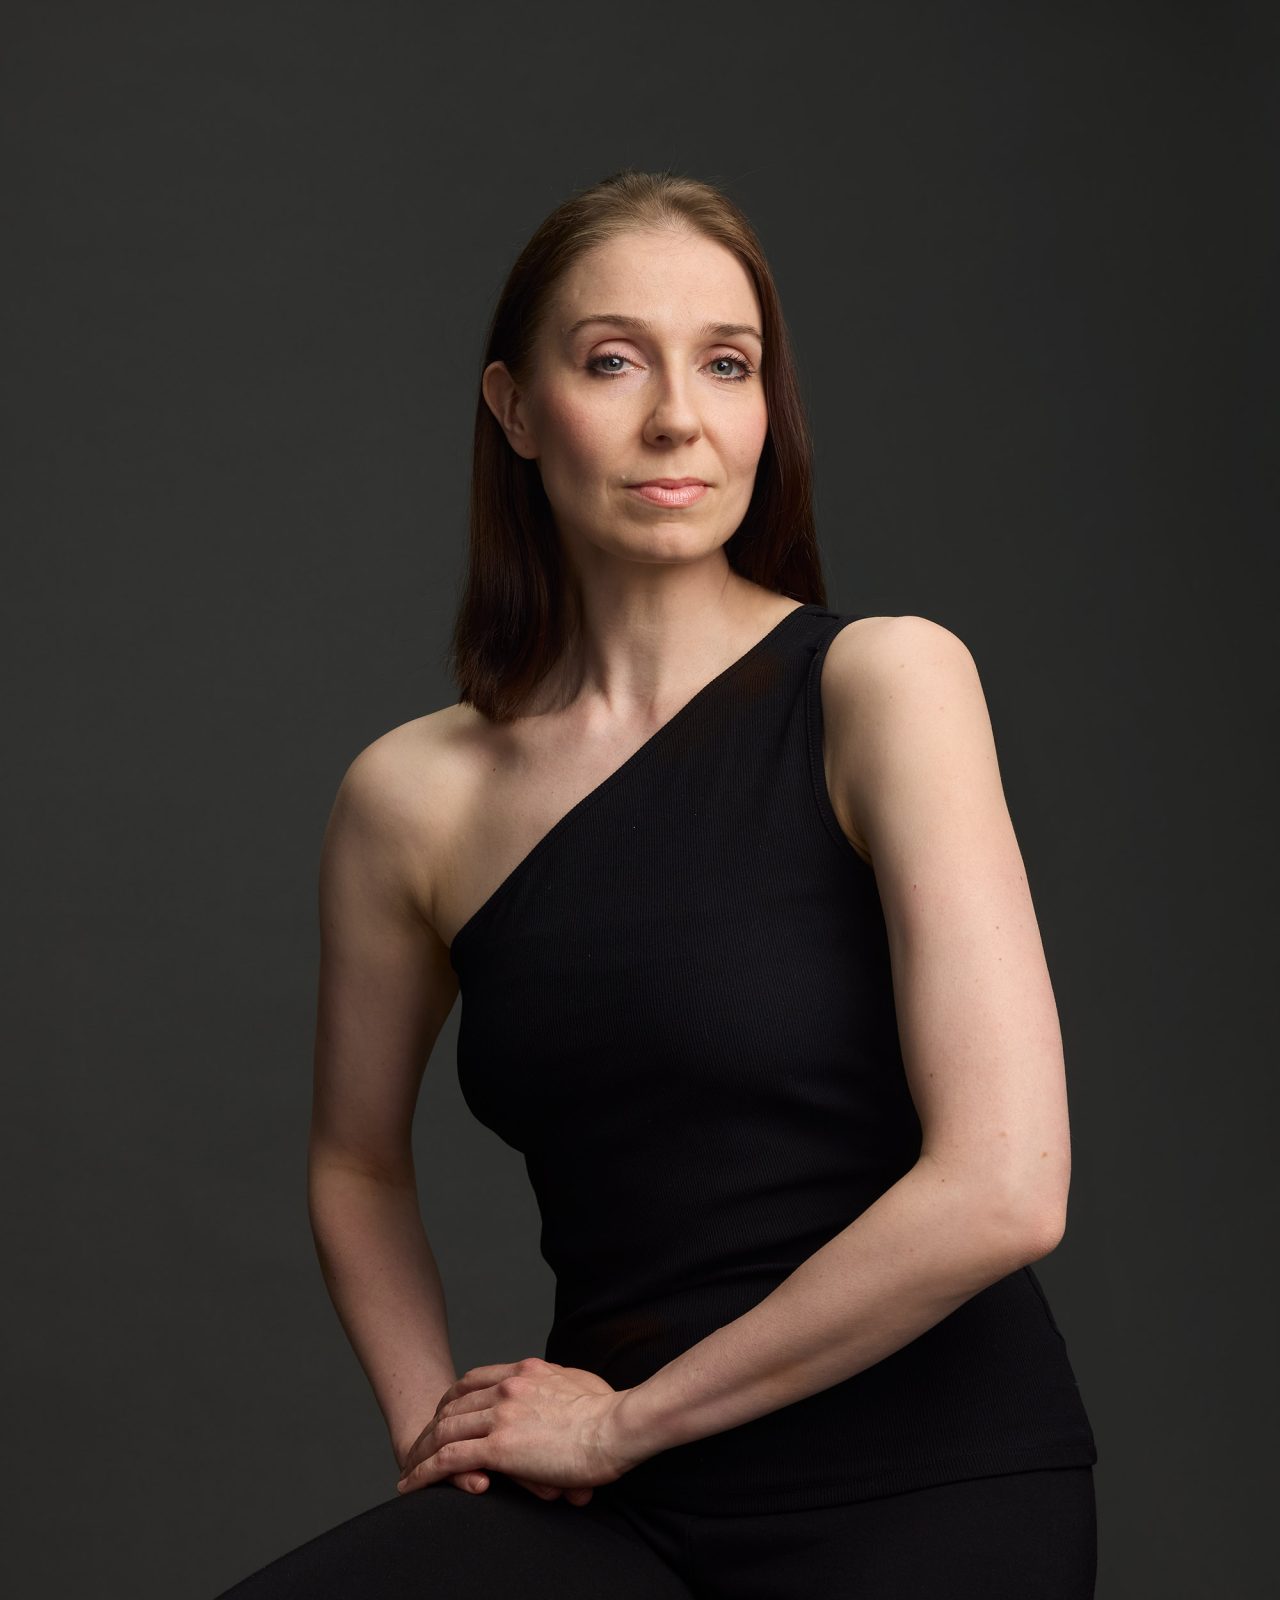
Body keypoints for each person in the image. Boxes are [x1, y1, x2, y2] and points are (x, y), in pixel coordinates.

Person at [214, 167, 1098, 1598]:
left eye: (727, 365)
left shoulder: (883, 684)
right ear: (515, 408)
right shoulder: (411, 798)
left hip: (922, 1485)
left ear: (767, 410)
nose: (679, 416)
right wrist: (445, 1441)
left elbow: (1006, 1187)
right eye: (614, 360)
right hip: (615, 1499)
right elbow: (355, 1162)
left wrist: (623, 1425)